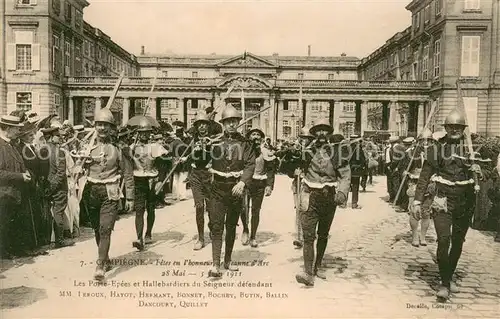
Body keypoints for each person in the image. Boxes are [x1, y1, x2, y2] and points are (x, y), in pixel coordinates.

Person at [412, 109, 491, 300]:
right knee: (443, 239)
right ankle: (445, 283)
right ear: (446, 128)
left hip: (466, 201)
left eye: (458, 127)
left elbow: (490, 171)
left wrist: (479, 170)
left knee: (457, 242)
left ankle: (448, 274)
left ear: (463, 129)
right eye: (451, 127)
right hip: (442, 199)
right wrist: (417, 200)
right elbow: (424, 177)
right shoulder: (436, 149)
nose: (454, 130)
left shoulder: (474, 148)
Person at [289, 118, 351, 287]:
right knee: (309, 236)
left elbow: (345, 174)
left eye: (325, 130)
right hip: (309, 195)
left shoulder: (336, 152)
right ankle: (308, 273)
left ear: (329, 133)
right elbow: (289, 168)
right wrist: (293, 162)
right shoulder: (306, 150)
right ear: (314, 133)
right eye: (318, 130)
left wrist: (343, 193)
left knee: (323, 234)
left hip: (329, 197)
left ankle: (318, 266)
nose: (321, 133)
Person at [78, 109, 134, 281]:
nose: (102, 128)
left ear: (111, 128)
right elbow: (76, 169)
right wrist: (81, 162)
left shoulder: (119, 149)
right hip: (91, 192)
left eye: (105, 125)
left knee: (105, 229)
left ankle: (100, 265)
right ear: (95, 126)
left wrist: (130, 196)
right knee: (97, 228)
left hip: (110, 193)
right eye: (99, 124)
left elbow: (128, 173)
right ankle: (105, 258)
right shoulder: (86, 146)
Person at [206, 104, 256, 277]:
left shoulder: (245, 144)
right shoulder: (214, 141)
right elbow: (200, 159)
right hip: (217, 189)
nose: (231, 125)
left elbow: (250, 164)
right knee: (217, 226)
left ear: (238, 123)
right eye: (228, 122)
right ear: (223, 123)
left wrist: (242, 182)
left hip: (236, 189)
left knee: (231, 225)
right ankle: (215, 265)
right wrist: (201, 147)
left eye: (234, 121)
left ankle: (227, 260)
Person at [131, 119, 169, 250]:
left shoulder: (155, 147)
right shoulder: (132, 147)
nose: (143, 135)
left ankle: (148, 233)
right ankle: (139, 237)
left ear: (150, 133)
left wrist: (160, 181)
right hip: (138, 180)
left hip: (152, 179)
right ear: (138, 133)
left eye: (146, 133)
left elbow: (164, 164)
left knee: (150, 208)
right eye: (141, 133)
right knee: (139, 209)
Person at [0, 115, 33, 258]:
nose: (19, 131)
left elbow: (18, 165)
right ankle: (4, 251)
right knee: (4, 224)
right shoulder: (1, 146)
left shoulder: (11, 145)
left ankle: (13, 249)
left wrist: (25, 171)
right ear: (7, 129)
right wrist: (20, 176)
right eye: (16, 129)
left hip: (15, 193)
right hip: (5, 193)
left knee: (14, 223)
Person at [240, 127, 276, 247]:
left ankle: (253, 237)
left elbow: (271, 169)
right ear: (249, 137)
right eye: (253, 134)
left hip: (259, 183)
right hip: (245, 183)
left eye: (258, 135)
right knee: (243, 208)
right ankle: (245, 228)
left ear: (261, 138)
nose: (255, 137)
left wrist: (269, 185)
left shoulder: (265, 152)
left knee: (256, 210)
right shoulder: (243, 150)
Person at [40, 126, 75, 248]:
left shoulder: (41, 151)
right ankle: (59, 240)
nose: (60, 138)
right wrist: (53, 187)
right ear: (51, 137)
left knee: (49, 213)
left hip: (47, 186)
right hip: (58, 188)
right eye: (58, 136)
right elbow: (61, 173)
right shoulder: (58, 152)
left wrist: (47, 187)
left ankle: (47, 239)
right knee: (58, 212)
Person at [186, 113, 215, 250]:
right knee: (199, 206)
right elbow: (186, 157)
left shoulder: (215, 139)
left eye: (204, 124)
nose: (202, 126)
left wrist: (210, 147)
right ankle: (201, 238)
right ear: (196, 127)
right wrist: (191, 154)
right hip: (196, 175)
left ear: (208, 126)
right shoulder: (191, 141)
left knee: (211, 207)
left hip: (209, 176)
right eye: (199, 124)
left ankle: (212, 227)